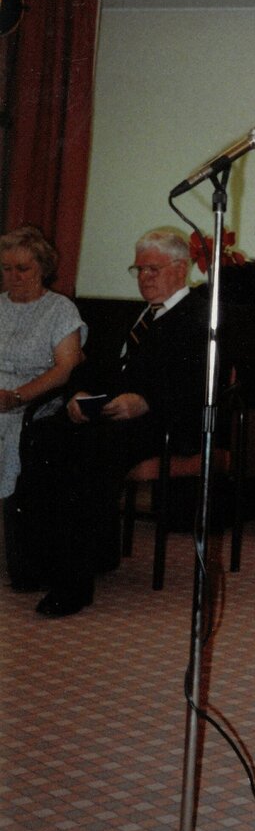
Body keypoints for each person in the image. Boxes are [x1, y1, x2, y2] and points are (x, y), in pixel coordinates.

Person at [33, 228, 207, 617]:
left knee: (90, 452)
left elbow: (198, 385)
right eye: (138, 268)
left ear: (180, 269)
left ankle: (72, 585)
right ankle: (47, 563)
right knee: (45, 437)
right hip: (116, 416)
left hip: (163, 423)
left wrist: (146, 402)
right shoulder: (140, 314)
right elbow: (95, 366)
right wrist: (77, 392)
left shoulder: (199, 317)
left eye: (152, 268)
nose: (144, 276)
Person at [1, 226, 86, 589]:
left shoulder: (59, 309)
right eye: (6, 268)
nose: (13, 277)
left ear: (43, 268)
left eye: (23, 268)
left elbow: (65, 368)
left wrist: (18, 396)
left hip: (34, 400)